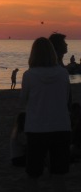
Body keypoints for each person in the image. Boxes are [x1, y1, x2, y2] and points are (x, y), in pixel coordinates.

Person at [20, 37, 72, 192]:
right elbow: (67, 98)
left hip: (37, 128)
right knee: (59, 175)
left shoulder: (29, 75)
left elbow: (23, 100)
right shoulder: (63, 73)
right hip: (61, 127)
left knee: (33, 175)